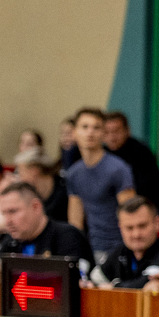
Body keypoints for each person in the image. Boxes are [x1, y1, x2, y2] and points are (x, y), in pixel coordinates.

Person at [65, 108, 136, 263]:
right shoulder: (74, 173)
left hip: (118, 250)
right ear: (74, 133)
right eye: (85, 127)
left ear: (103, 133)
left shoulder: (118, 169)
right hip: (90, 250)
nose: (90, 132)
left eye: (96, 127)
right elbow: (75, 222)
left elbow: (131, 215)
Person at [0, 182, 93, 280]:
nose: (7, 221)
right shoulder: (12, 240)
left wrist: (12, 272)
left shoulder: (68, 236)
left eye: (13, 211)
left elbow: (75, 279)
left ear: (36, 206)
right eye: (4, 213)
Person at [96, 197, 159, 289]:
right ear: (120, 228)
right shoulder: (121, 251)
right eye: (129, 228)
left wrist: (114, 286)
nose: (136, 234)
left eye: (142, 226)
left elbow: (145, 283)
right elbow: (94, 279)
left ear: (157, 223)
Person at [103, 112, 159, 221]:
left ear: (127, 131)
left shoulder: (141, 152)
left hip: (149, 207)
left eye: (116, 131)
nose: (112, 137)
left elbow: (146, 188)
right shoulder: (102, 153)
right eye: (107, 132)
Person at [15, 150, 69, 222]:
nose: (19, 178)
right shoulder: (31, 194)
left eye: (21, 172)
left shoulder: (64, 190)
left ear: (34, 170)